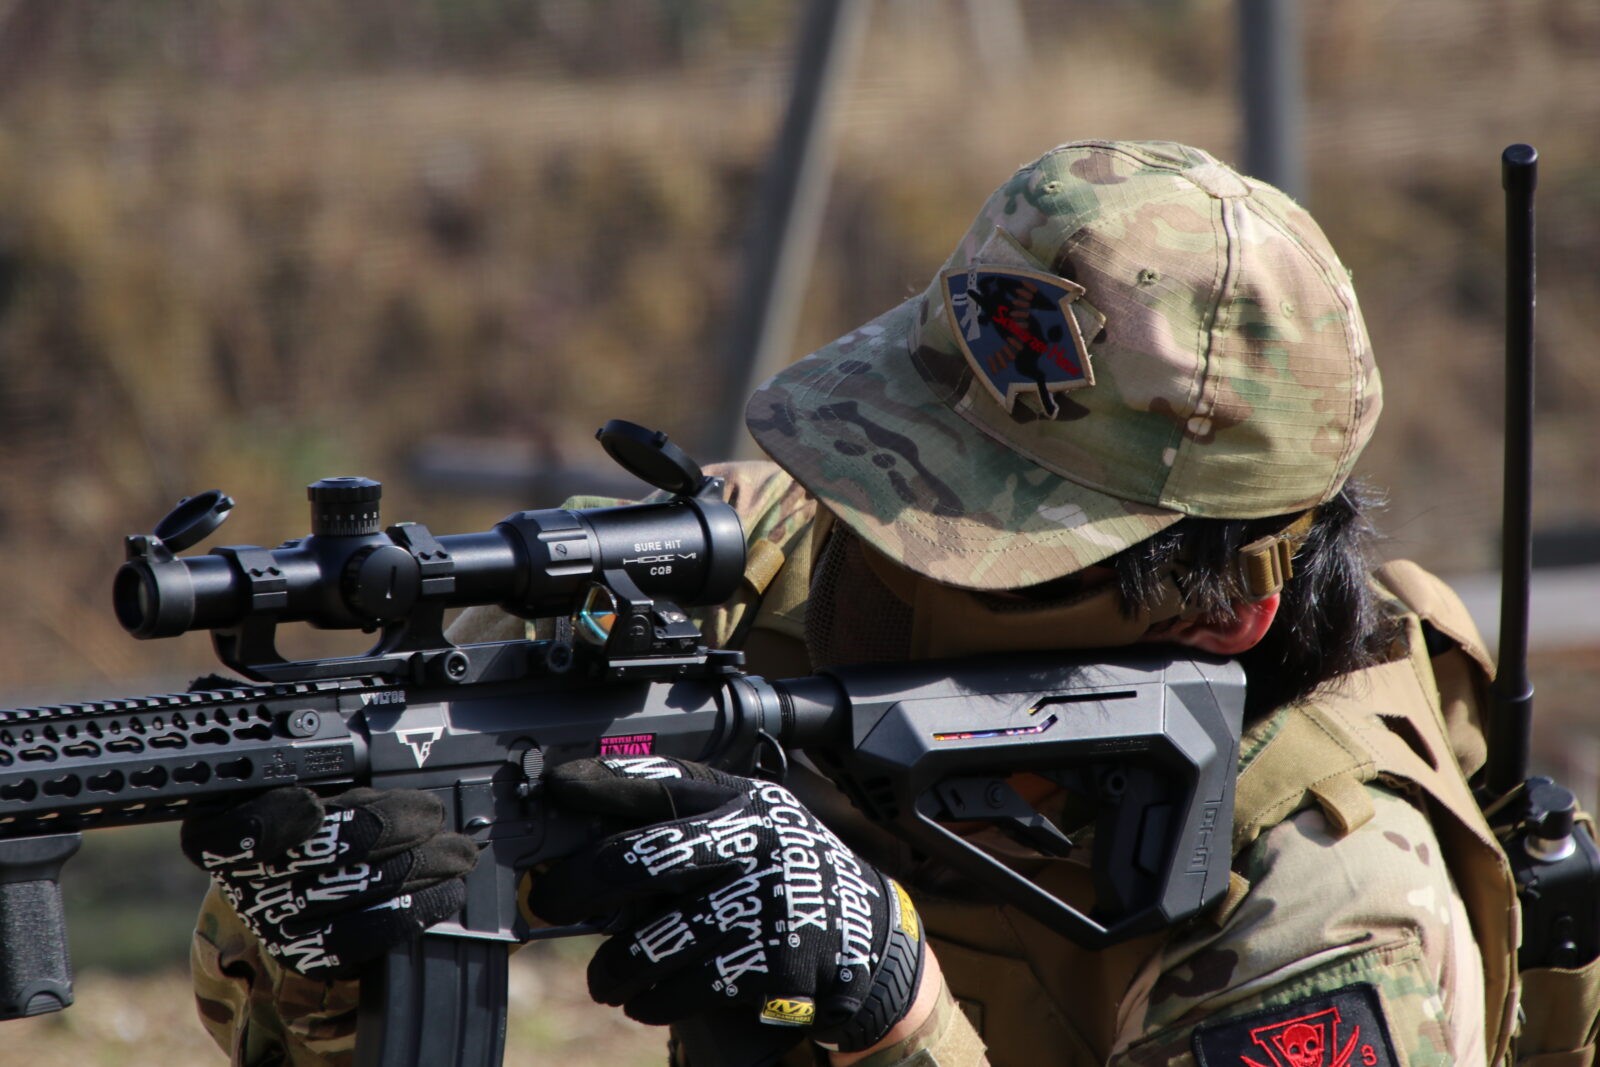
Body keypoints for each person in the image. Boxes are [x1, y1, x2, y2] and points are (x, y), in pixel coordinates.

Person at [187, 140, 1519, 1066]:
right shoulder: (739, 569)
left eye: (967, 537)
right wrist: (330, 945)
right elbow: (293, 960)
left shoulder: (1334, 901)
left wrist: (891, 1012)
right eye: (886, 469)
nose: (871, 551)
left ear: (1214, 613)